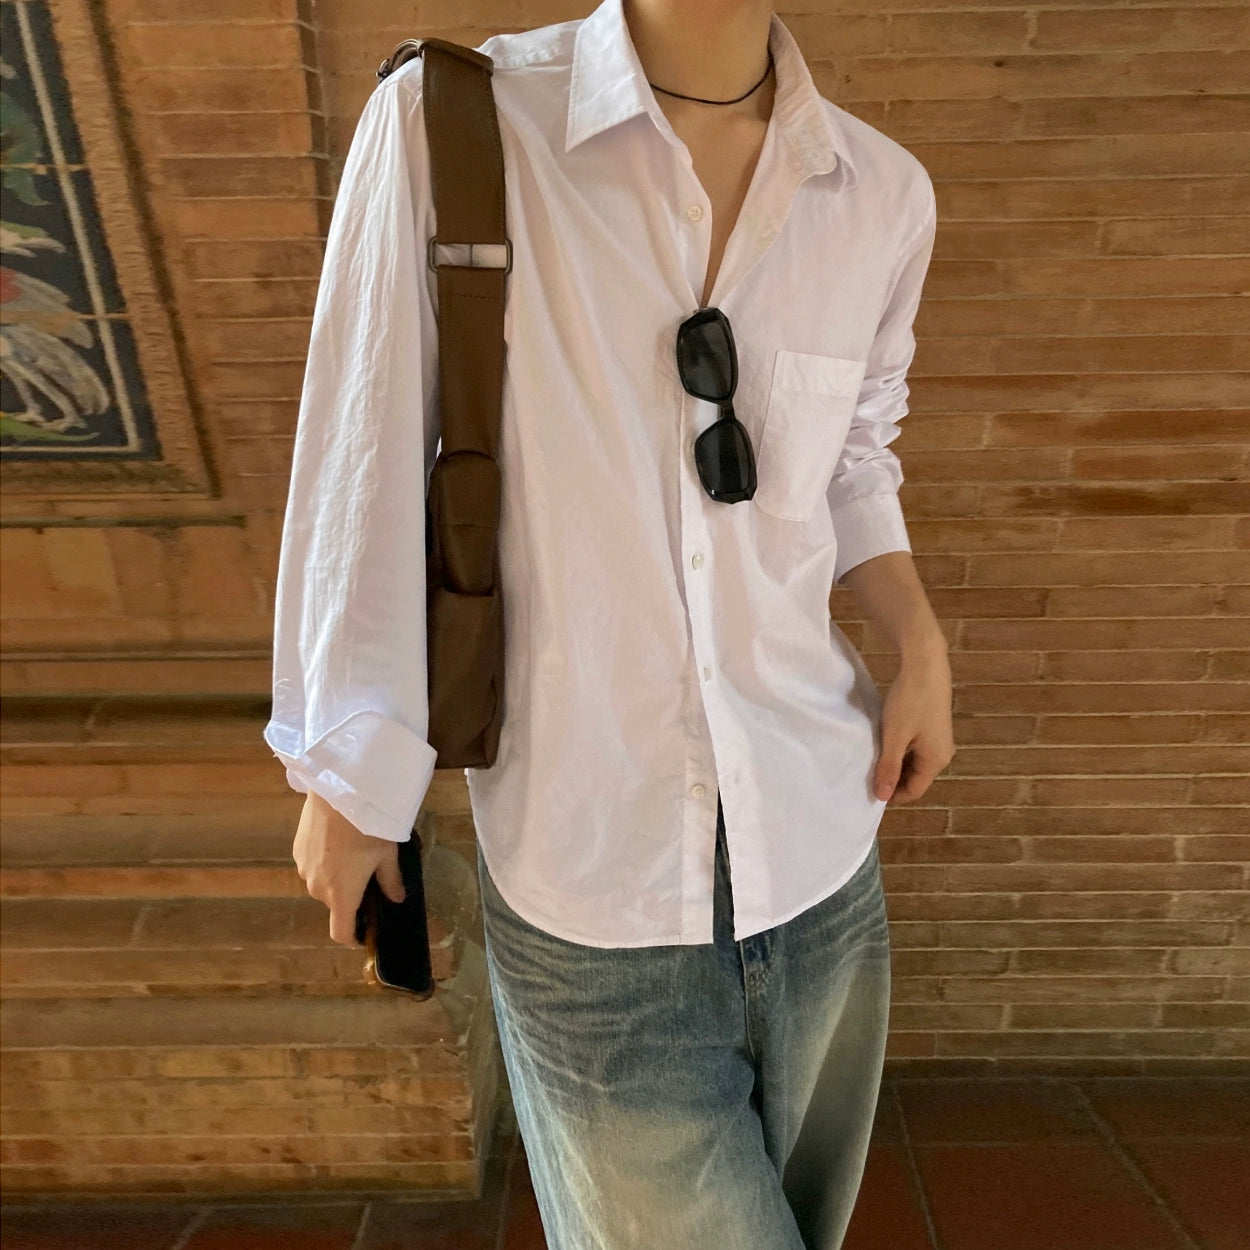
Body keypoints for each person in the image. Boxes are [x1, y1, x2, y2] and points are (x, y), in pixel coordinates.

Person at [264, 0, 955, 1245]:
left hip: (820, 842)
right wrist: (348, 761)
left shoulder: (877, 192)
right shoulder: (453, 123)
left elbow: (856, 451)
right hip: (590, 868)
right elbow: (365, 442)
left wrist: (918, 641)